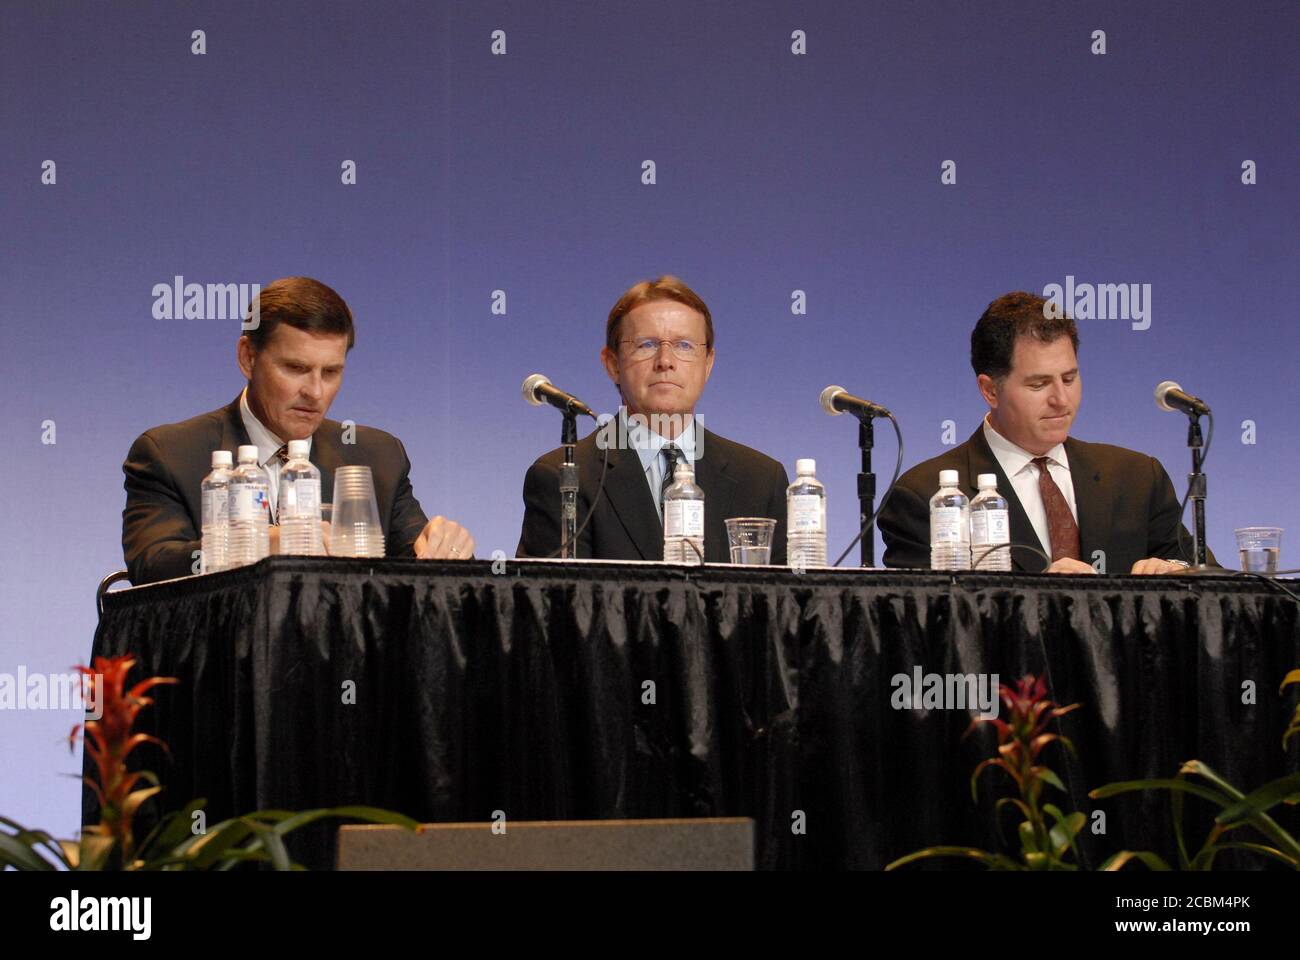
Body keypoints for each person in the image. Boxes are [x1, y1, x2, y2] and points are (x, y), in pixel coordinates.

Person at [121, 276, 474, 584]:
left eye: (331, 372)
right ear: (248, 358)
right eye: (295, 368)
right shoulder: (170, 453)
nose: (315, 392)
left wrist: (446, 550)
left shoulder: (377, 456)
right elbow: (152, 566)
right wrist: (261, 545)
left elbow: (416, 569)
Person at [877, 291, 1205, 574]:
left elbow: (1211, 589)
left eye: (1069, 378)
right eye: (1039, 384)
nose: (1061, 400)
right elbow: (923, 624)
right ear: (990, 390)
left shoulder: (1137, 478)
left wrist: (1175, 571)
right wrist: (1040, 594)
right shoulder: (923, 496)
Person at [517, 276, 790, 562]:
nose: (665, 361)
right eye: (646, 344)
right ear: (612, 364)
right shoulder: (563, 477)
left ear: (708, 363)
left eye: (684, 345)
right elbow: (550, 601)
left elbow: (790, 601)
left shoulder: (761, 479)